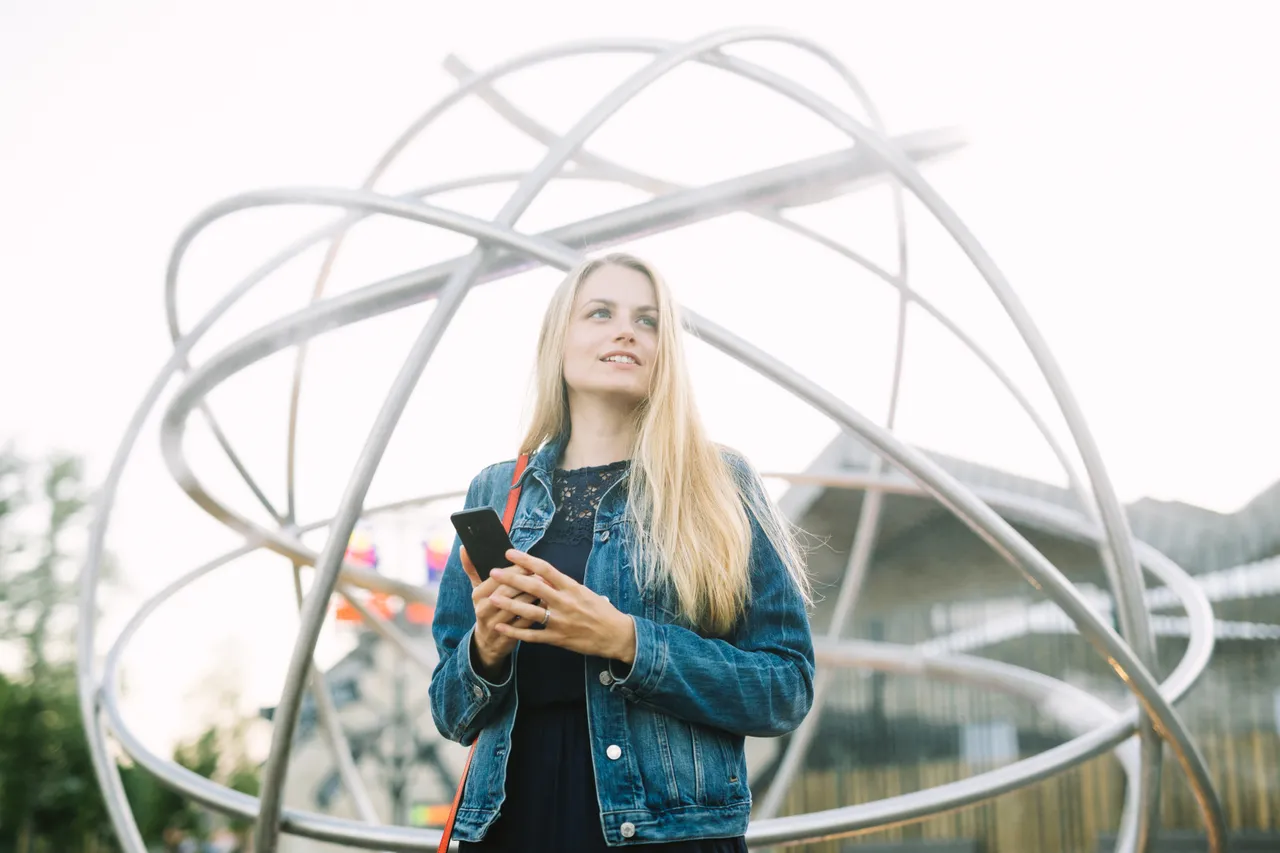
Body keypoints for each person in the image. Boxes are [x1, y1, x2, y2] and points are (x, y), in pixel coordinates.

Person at [429, 253, 815, 851]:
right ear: (559, 340)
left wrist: (627, 641)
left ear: (666, 352)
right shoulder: (497, 490)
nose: (626, 331)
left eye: (648, 320)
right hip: (513, 825)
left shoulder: (721, 483)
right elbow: (449, 713)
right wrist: (487, 648)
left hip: (670, 835)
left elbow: (785, 688)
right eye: (600, 313)